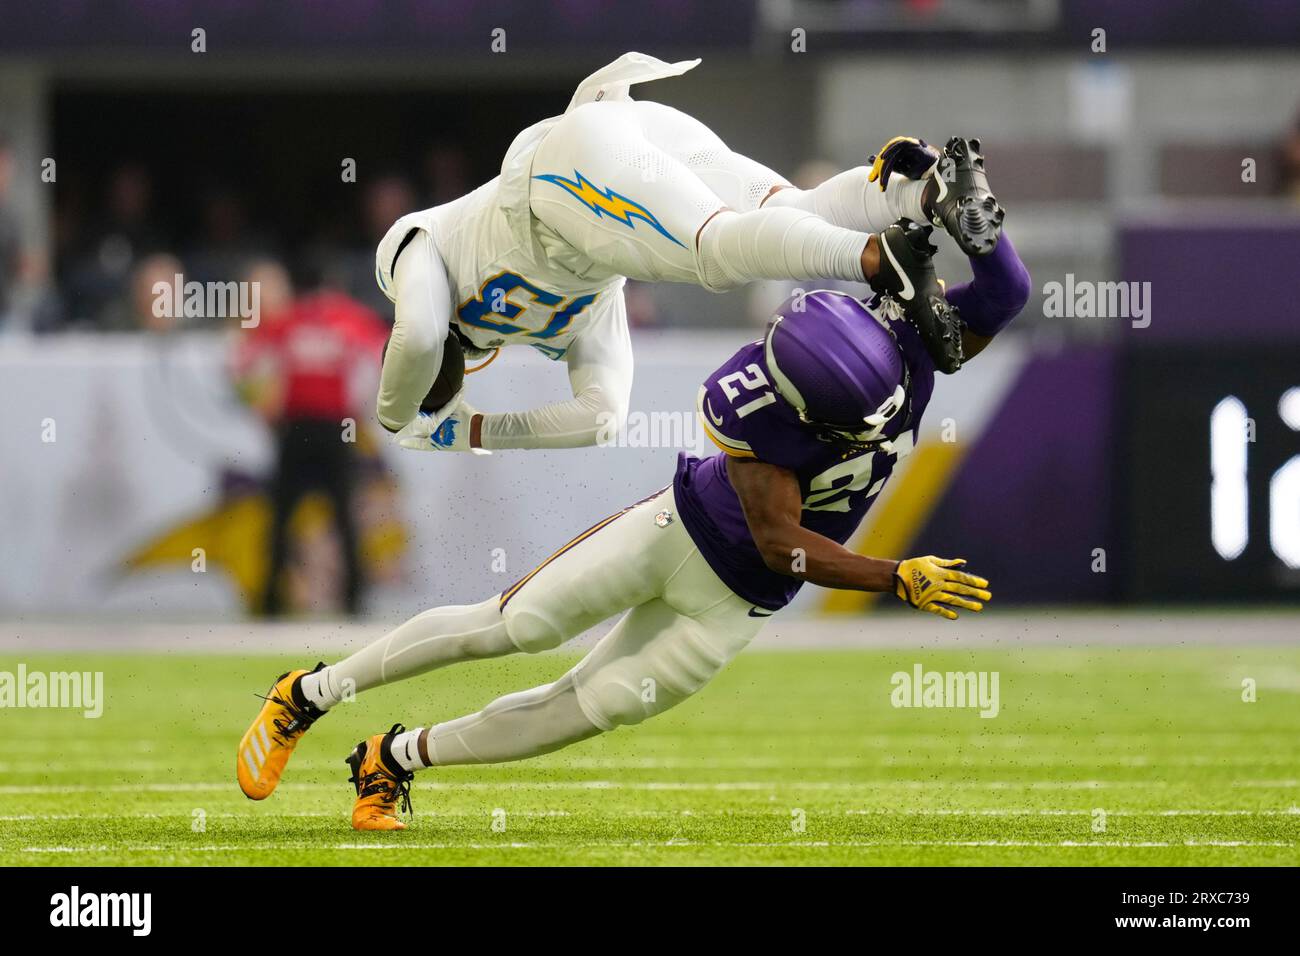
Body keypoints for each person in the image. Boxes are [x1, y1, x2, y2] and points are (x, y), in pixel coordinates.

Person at [235, 225, 1030, 828]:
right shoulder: (756, 416)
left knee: (593, 706)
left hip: (737, 606)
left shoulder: (906, 351)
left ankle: (392, 758)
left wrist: (979, 232)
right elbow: (782, 545)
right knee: (515, 625)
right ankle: (309, 692)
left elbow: (1003, 296)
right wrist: (894, 574)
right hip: (680, 533)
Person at [375, 51, 1003, 456]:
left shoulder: (413, 250)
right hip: (617, 143)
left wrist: (398, 421)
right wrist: (477, 431)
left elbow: (422, 336)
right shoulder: (574, 311)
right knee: (791, 212)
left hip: (564, 174)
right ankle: (925, 191)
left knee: (716, 250)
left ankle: (876, 260)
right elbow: (601, 418)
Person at [233, 261, 389, 616]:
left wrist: (261, 405)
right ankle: (352, 601)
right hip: (333, 429)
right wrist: (369, 408)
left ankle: (272, 600)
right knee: (341, 517)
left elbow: (244, 359)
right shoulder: (348, 317)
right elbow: (387, 354)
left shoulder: (290, 320)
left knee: (284, 518)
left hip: (299, 430)